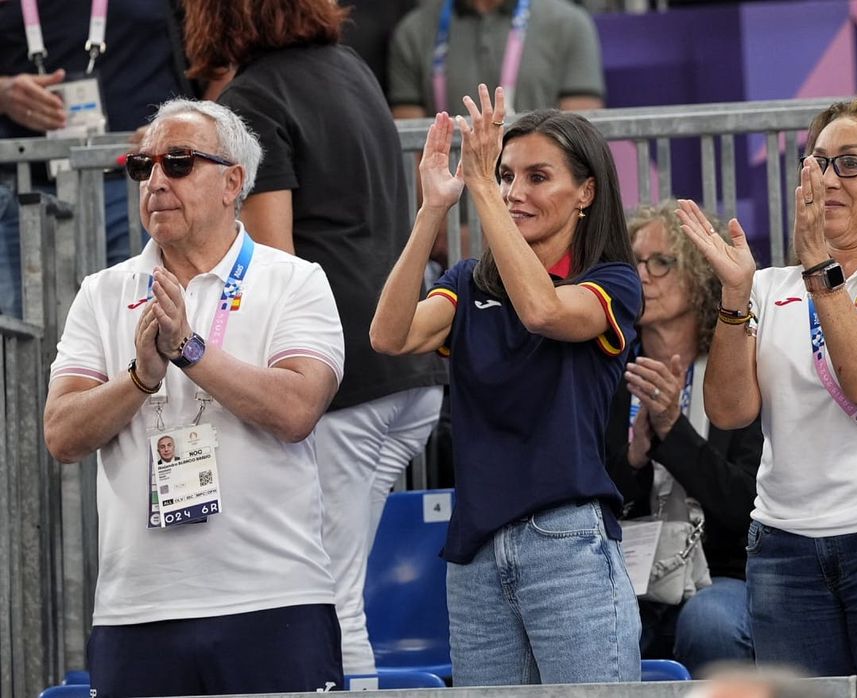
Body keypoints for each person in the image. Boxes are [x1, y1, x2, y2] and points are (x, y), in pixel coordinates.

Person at [43, 99, 345, 697]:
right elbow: (61, 434)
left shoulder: (294, 280)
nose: (156, 181)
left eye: (178, 163)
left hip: (274, 599)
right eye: (143, 166)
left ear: (234, 181)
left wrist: (190, 350)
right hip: (137, 610)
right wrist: (138, 378)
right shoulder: (102, 292)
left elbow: (296, 410)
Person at [181, 0, 448, 675]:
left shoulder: (253, 99)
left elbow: (276, 271)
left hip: (342, 378)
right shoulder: (352, 68)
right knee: (335, 579)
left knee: (328, 595)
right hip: (407, 372)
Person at [677, 94, 857, 676]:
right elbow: (730, 411)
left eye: (852, 162)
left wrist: (820, 271)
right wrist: (736, 296)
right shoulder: (767, 285)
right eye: (817, 161)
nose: (828, 178)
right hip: (784, 551)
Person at [371, 85, 643, 685]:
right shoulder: (470, 282)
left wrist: (484, 189)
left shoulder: (615, 282)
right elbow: (390, 336)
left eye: (538, 176)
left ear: (586, 192)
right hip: (473, 556)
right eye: (506, 174)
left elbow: (543, 311)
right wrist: (431, 213)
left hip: (567, 544)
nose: (517, 192)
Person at [605, 201, 759, 674]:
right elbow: (595, 505)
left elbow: (746, 508)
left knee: (709, 623)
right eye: (634, 261)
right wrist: (632, 461)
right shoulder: (609, 372)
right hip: (628, 573)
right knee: (595, 622)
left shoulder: (742, 371)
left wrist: (674, 429)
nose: (642, 274)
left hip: (723, 572)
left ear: (699, 276)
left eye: (661, 262)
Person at [0, 0, 196, 318]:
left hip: (142, 184)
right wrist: (3, 93)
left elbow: (219, 59)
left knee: (139, 321)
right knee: (26, 335)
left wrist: (185, 124)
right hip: (24, 194)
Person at [387, 0, 605, 119]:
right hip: (452, 193)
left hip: (538, 193)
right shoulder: (414, 30)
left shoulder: (569, 24)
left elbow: (581, 136)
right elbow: (412, 151)